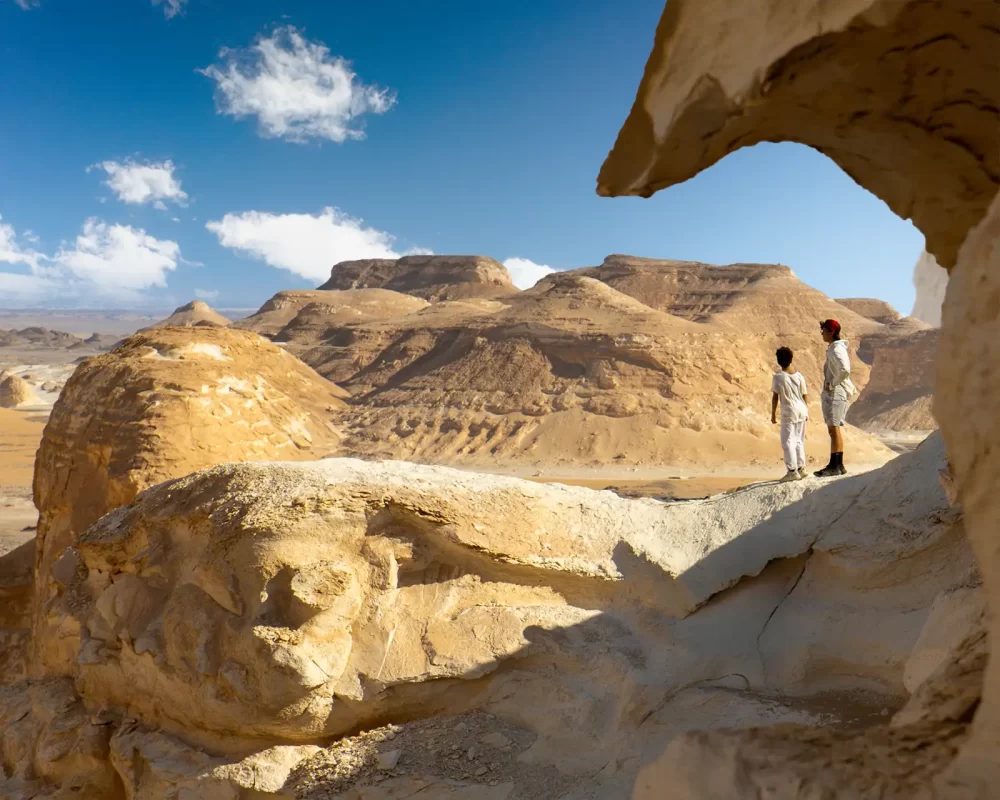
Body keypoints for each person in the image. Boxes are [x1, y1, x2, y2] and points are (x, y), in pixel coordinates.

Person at [815, 318, 856, 477]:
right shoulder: (834, 348)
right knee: (833, 428)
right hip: (835, 391)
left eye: (824, 331)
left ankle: (836, 465)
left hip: (836, 391)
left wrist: (832, 384)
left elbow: (845, 369)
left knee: (834, 429)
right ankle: (836, 464)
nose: (822, 334)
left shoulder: (836, 349)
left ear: (831, 332)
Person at [771, 346, 809, 482]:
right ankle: (801, 468)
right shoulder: (799, 376)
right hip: (802, 410)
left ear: (778, 361)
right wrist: (806, 410)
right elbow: (805, 395)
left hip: (789, 411)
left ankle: (792, 470)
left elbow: (775, 396)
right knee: (799, 440)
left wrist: (773, 414)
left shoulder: (779, 377)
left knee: (787, 441)